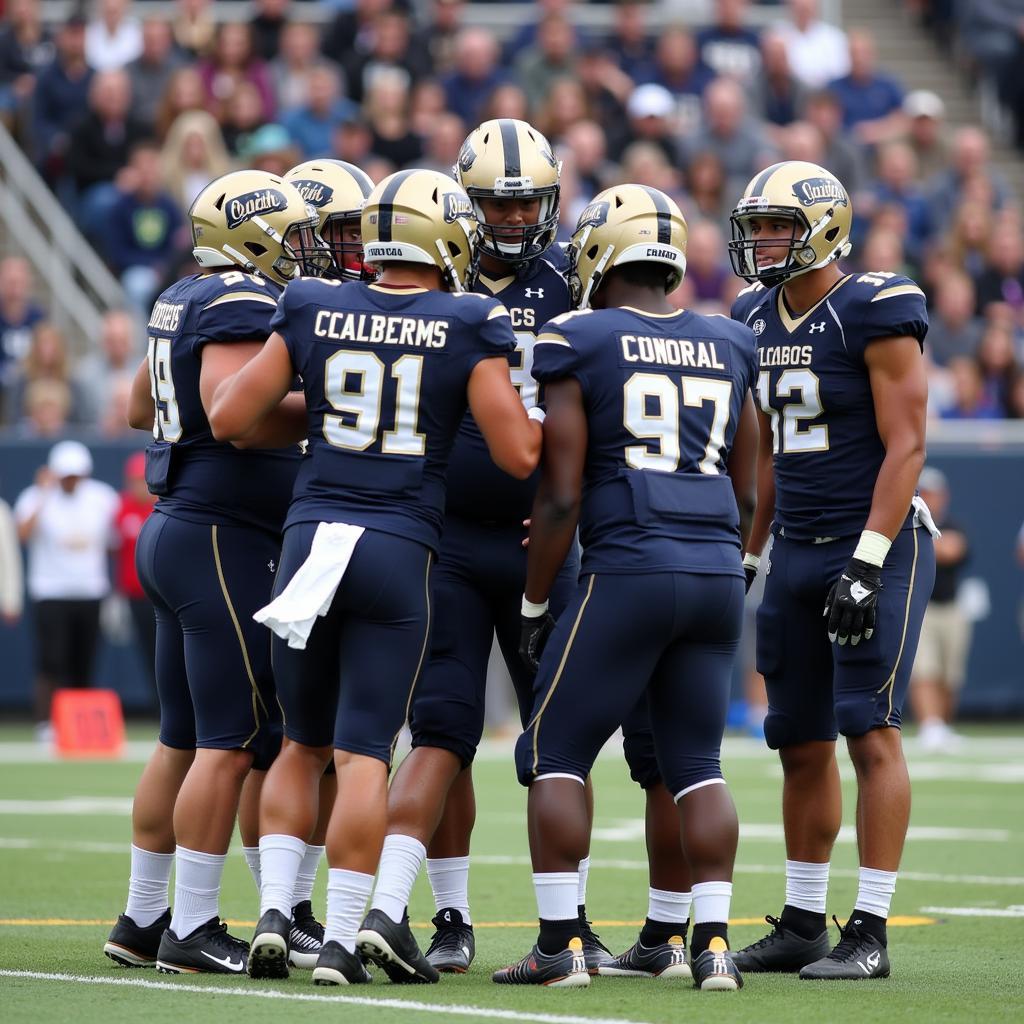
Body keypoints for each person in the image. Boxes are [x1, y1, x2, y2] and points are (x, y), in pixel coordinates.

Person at [208, 168, 542, 986]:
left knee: (297, 743)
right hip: (397, 549)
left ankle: (276, 915)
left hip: (310, 538)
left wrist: (325, 416)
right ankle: (344, 936)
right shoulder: (468, 320)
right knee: (363, 756)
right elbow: (519, 452)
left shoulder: (313, 304)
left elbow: (230, 416)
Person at [494, 184, 756, 992]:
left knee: (554, 750)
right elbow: (754, 483)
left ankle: (559, 944)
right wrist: (735, 566)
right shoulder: (727, 337)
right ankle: (710, 946)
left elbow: (562, 493)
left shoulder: (581, 334)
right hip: (715, 569)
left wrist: (536, 602)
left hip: (631, 567)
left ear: (601, 254)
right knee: (697, 762)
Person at [102, 169, 325, 975]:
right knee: (228, 746)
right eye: (291, 233)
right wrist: (334, 411)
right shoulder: (237, 298)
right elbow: (237, 417)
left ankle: (142, 914)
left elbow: (139, 409)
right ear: (253, 233)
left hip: (177, 527)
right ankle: (191, 927)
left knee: (181, 740)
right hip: (219, 535)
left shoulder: (181, 295)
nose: (302, 249)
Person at [728, 160, 937, 979]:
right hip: (800, 546)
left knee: (868, 727)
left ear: (820, 227)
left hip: (873, 542)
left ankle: (872, 930)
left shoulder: (873, 308)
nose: (761, 242)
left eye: (776, 225)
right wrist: (752, 550)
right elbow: (775, 453)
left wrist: (869, 558)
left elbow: (908, 444)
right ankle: (805, 919)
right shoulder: (753, 315)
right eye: (758, 226)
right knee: (799, 740)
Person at [14, 440, 118, 743]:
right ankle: (45, 723)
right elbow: (22, 533)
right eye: (66, 475)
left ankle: (82, 725)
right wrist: (44, 494)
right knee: (52, 660)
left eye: (77, 474)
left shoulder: (101, 497)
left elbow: (113, 544)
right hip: (51, 592)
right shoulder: (35, 497)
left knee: (84, 660)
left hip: (90, 592)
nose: (72, 480)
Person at [910, 467, 971, 751]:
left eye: (933, 493)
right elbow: (942, 549)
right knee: (924, 669)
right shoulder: (909, 523)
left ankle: (942, 725)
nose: (929, 498)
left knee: (950, 674)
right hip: (921, 607)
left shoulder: (954, 523)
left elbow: (953, 550)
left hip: (951, 608)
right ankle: (929, 725)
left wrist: (924, 544)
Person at [113, 450, 158, 698]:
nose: (138, 486)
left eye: (142, 480)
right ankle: (158, 710)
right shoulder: (121, 508)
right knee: (148, 652)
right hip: (135, 595)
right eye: (133, 481)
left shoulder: (164, 506)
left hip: (162, 594)